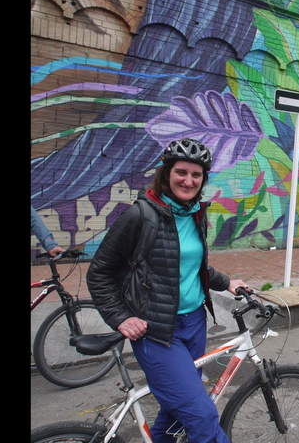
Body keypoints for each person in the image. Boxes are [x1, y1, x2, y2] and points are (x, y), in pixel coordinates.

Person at [87, 138, 249, 442]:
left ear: (203, 180)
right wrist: (120, 318)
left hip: (194, 324)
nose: (188, 181)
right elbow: (99, 273)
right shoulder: (140, 216)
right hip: (157, 331)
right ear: (167, 173)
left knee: (176, 412)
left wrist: (227, 282)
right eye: (181, 172)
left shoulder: (196, 214)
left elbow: (189, 265)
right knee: (201, 415)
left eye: (196, 175)